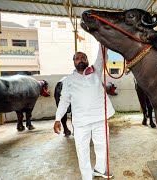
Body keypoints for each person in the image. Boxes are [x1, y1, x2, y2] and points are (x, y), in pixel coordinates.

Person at [54, 47, 115, 180]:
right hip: (81, 123)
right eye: (77, 58)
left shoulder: (96, 71)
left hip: (100, 118)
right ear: (74, 62)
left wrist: (102, 40)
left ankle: (100, 169)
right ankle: (86, 177)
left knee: (102, 146)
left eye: (83, 58)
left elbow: (102, 56)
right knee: (82, 151)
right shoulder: (69, 80)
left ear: (87, 60)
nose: (81, 60)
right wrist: (58, 119)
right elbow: (64, 101)